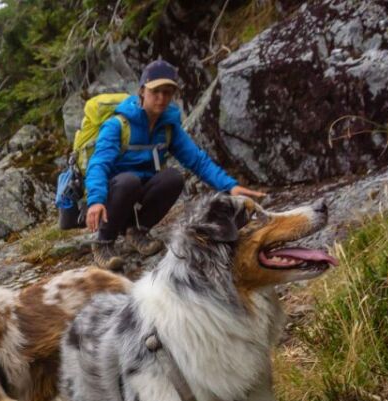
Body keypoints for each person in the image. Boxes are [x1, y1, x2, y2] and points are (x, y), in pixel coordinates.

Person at [80, 59, 266, 269]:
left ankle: (137, 231)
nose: (161, 98)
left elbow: (196, 160)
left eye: (167, 92)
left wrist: (230, 186)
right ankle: (103, 242)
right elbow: (98, 164)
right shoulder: (117, 125)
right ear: (142, 91)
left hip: (140, 193)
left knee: (173, 178)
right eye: (156, 91)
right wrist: (95, 200)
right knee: (128, 181)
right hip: (113, 196)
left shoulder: (167, 127)